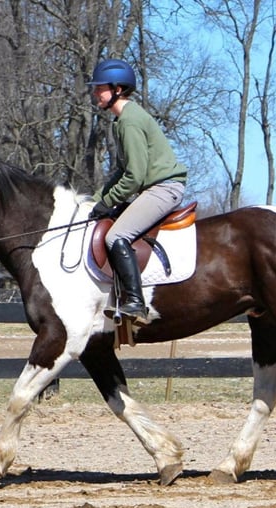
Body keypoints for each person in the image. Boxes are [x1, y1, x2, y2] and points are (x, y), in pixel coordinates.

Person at [87, 59, 188, 323]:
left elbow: (134, 177)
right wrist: (96, 200)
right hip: (153, 187)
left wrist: (107, 201)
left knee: (116, 236)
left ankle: (135, 303)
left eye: (101, 87)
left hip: (164, 188)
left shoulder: (130, 121)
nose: (96, 92)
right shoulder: (121, 121)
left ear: (118, 89)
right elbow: (122, 172)